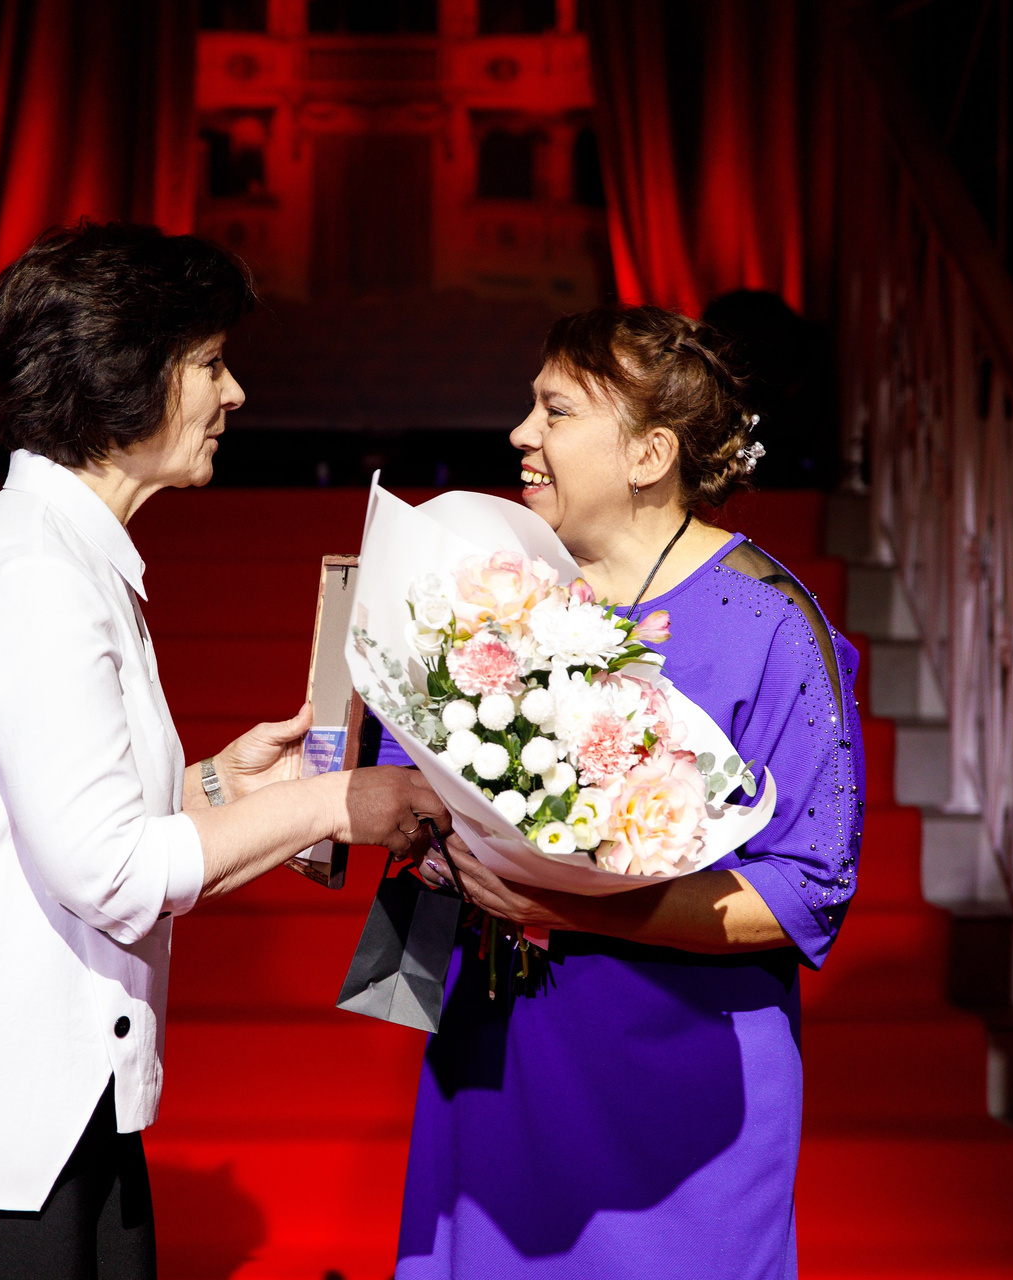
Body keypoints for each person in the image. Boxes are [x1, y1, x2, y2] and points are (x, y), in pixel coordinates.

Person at [0, 222, 451, 1280]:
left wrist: (217, 784)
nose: (234, 393)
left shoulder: (66, 555)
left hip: (53, 1104)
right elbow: (110, 871)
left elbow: (60, 819)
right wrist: (335, 802)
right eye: (209, 363)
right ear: (123, 377)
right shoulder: (38, 575)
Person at [386, 305, 865, 1278]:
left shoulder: (770, 622)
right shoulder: (502, 593)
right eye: (531, 405)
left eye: (555, 411)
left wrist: (573, 903)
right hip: (501, 1057)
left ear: (650, 454)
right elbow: (421, 788)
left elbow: (810, 888)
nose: (520, 433)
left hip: (685, 1089)